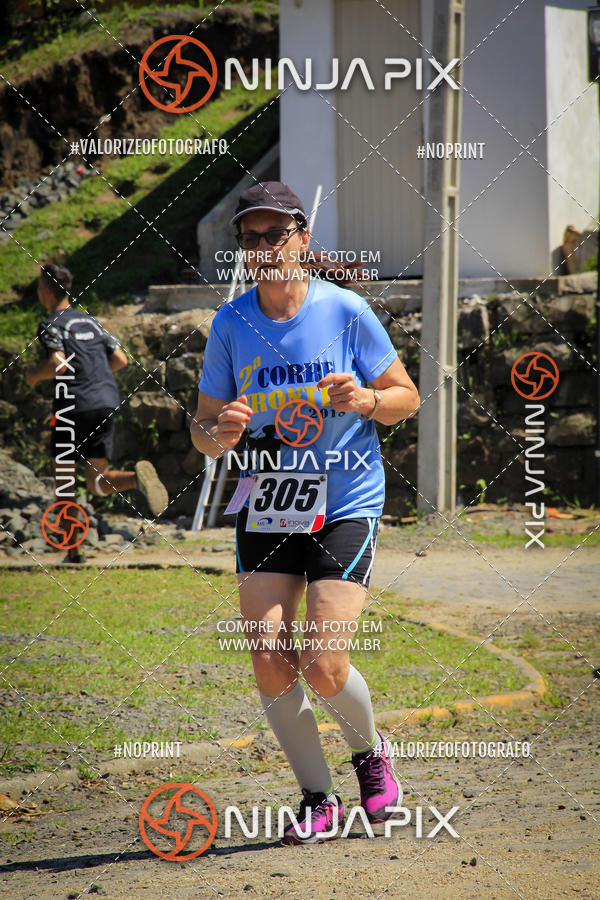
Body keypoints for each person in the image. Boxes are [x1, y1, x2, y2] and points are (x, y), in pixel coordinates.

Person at [191, 182, 420, 844]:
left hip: (345, 499)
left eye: (275, 235)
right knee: (267, 658)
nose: (264, 249)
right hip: (265, 503)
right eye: (250, 238)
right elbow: (202, 429)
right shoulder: (231, 324)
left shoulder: (346, 310)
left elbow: (405, 395)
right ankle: (318, 798)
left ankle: (372, 755)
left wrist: (369, 403)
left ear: (302, 239)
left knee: (323, 665)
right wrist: (220, 434)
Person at [26, 263, 169, 562]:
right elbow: (119, 359)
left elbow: (58, 365)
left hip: (72, 405)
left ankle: (72, 551)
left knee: (65, 482)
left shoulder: (52, 323)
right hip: (106, 399)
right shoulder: (90, 322)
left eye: (39, 286)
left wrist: (34, 375)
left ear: (47, 291)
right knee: (97, 481)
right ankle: (136, 479)